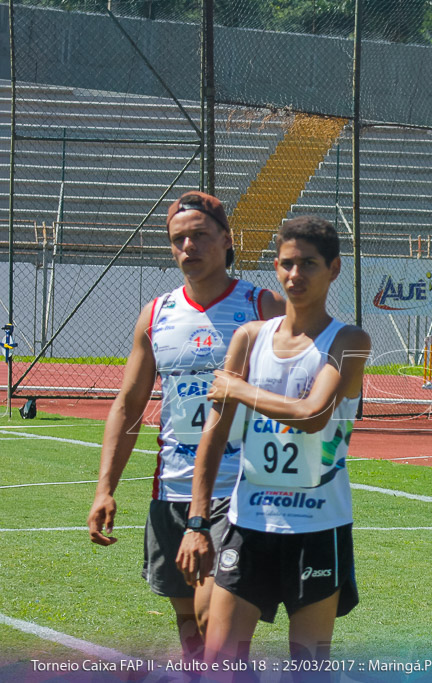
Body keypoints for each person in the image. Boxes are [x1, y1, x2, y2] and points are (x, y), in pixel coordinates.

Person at [86, 191, 284, 660]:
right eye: (178, 240)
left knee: (212, 618)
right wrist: (104, 488)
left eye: (199, 236)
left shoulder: (262, 306)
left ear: (227, 240)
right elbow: (129, 404)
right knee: (188, 623)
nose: (188, 248)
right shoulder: (156, 314)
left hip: (241, 488)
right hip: (171, 489)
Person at [176, 216, 370, 670]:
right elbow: (215, 434)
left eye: (308, 264)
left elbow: (313, 414)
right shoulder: (249, 337)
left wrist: (239, 389)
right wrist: (197, 522)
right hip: (249, 524)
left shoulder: (350, 341)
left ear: (334, 268)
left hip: (318, 528)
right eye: (286, 264)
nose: (295, 275)